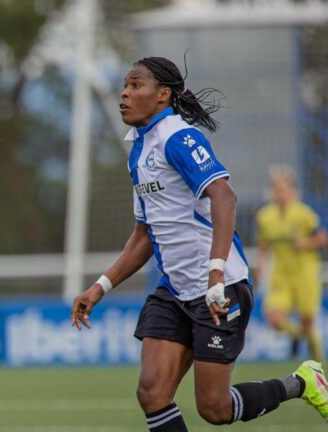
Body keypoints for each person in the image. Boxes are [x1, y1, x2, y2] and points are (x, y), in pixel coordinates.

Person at [71, 57, 328, 431]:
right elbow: (145, 234)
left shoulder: (178, 137)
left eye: (135, 85)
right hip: (174, 291)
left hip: (219, 289)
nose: (124, 94)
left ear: (163, 95)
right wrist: (100, 287)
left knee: (215, 409)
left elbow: (224, 196)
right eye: (124, 86)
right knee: (152, 393)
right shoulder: (138, 151)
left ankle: (303, 382)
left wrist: (215, 273)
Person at [256, 165, 327, 362]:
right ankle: (298, 335)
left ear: (292, 191)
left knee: (308, 322)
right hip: (281, 275)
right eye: (277, 189)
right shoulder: (265, 217)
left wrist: (304, 244)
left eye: (284, 189)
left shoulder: (304, 214)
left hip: (305, 274)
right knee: (274, 319)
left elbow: (322, 238)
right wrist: (261, 265)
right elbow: (263, 246)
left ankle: (318, 363)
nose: (280, 194)